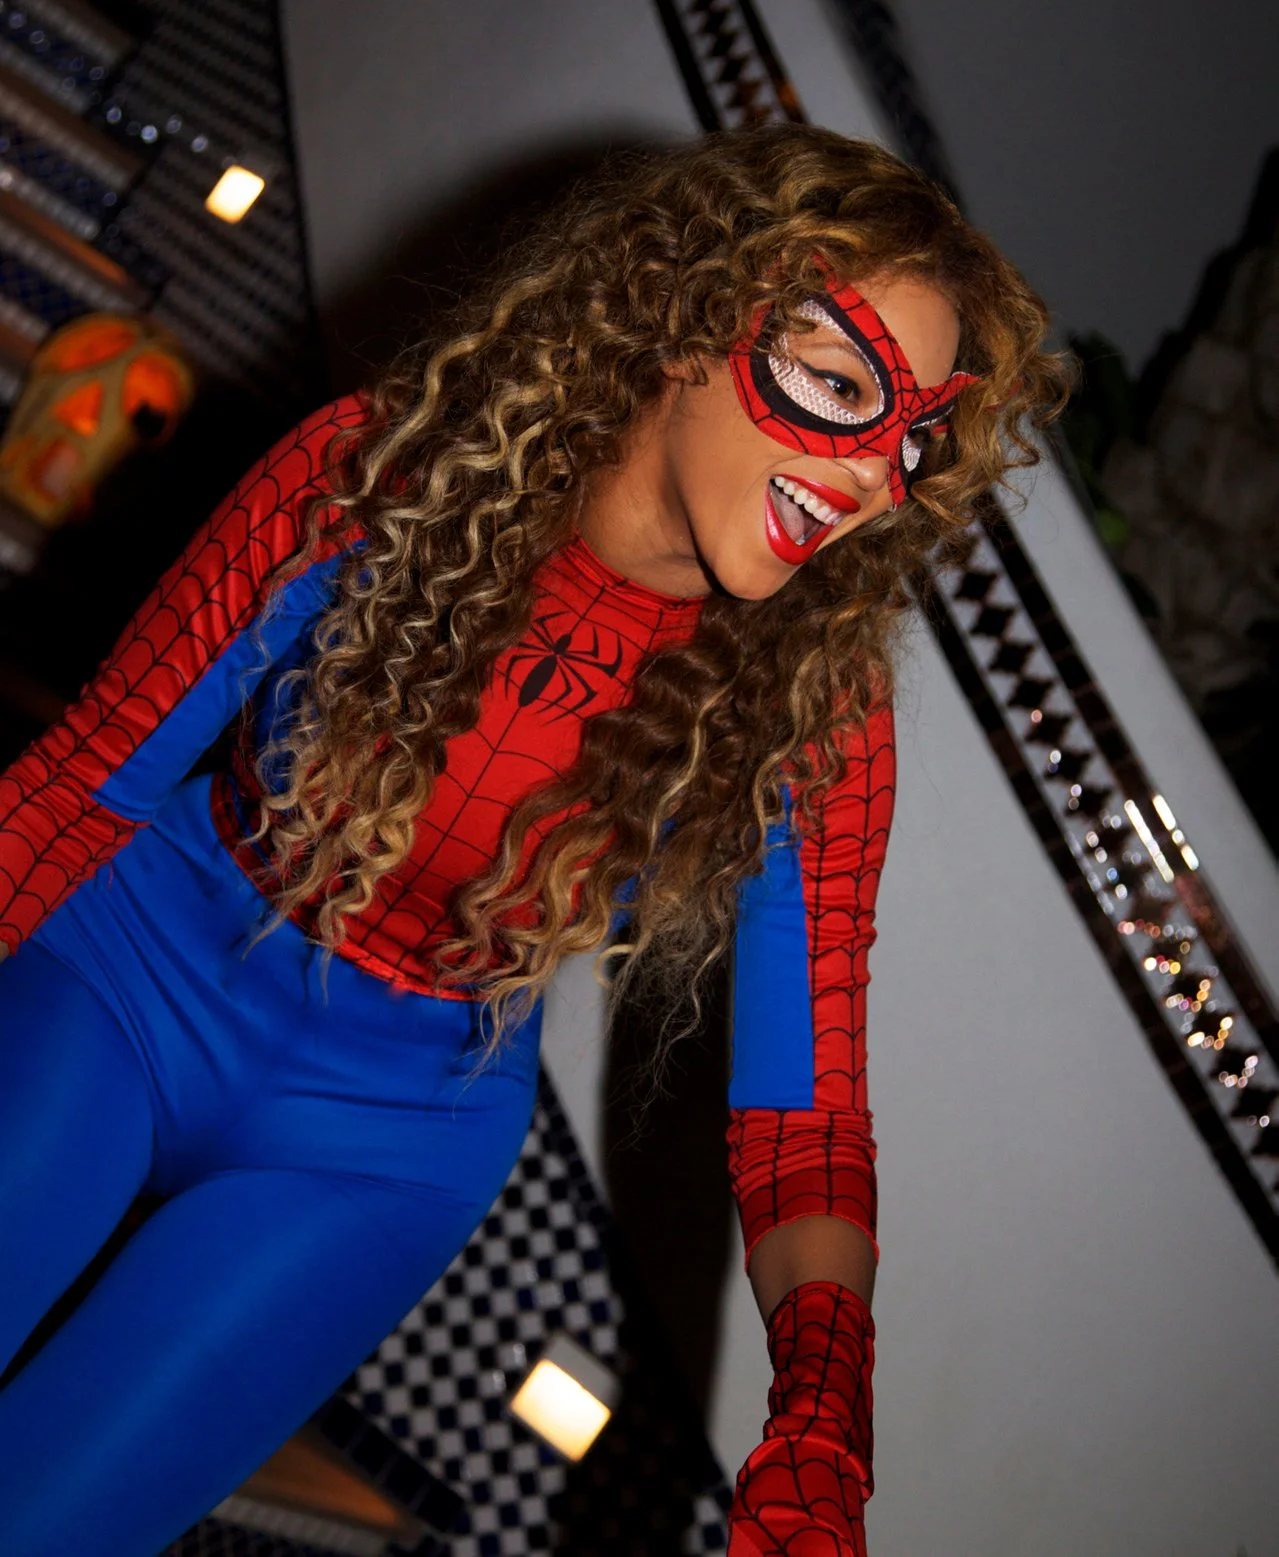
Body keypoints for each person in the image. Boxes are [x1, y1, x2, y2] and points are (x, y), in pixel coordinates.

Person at [0, 125, 1065, 1555]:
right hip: (129, 965)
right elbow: (80, 782)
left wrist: (822, 1421)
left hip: (389, 1137)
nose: (873, 476)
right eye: (838, 386)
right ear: (684, 315)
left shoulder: (813, 710)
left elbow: (802, 1120)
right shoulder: (380, 471)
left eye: (913, 443)